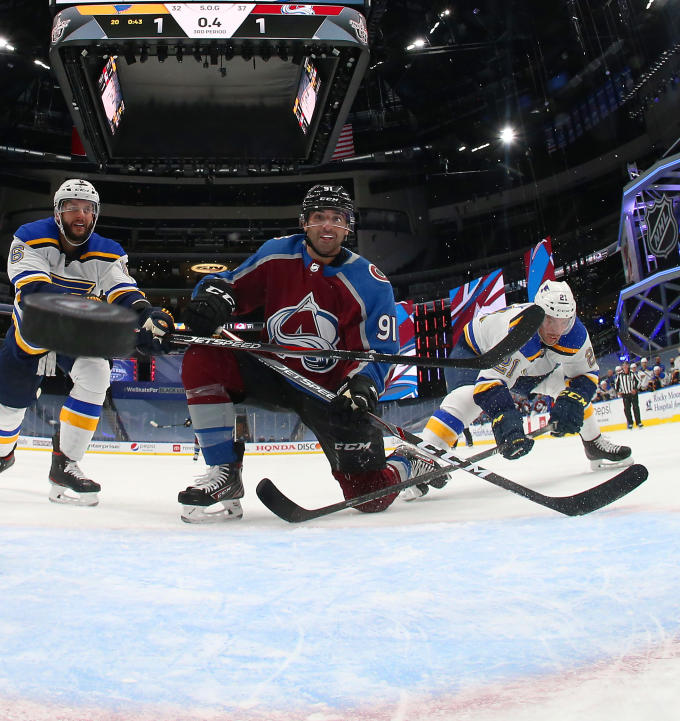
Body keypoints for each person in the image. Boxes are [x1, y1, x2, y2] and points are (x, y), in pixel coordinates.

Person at [175, 183, 446, 523]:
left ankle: (408, 462)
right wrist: (211, 299)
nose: (327, 226)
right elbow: (229, 285)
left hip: (331, 395)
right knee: (204, 356)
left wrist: (362, 386)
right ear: (304, 222)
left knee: (369, 497)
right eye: (319, 217)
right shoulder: (277, 253)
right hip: (274, 373)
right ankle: (223, 473)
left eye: (337, 218)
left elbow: (378, 352)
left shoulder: (370, 282)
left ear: (349, 226)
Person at [0, 179, 174, 505]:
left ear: (95, 215)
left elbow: (123, 290)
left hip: (74, 335)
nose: (80, 215)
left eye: (87, 209)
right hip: (31, 336)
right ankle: (3, 455)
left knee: (97, 374)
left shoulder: (109, 251)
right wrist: (98, 312)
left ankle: (65, 463)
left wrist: (146, 314)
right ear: (57, 212)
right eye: (72, 208)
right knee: (7, 410)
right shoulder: (29, 236)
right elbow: (34, 292)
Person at [405, 280, 632, 500]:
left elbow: (585, 375)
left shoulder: (575, 334)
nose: (557, 331)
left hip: (530, 367)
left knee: (569, 390)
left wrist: (572, 400)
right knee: (466, 399)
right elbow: (489, 384)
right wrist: (507, 421)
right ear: (538, 314)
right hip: (476, 354)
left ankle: (594, 443)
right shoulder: (517, 332)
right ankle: (423, 458)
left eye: (564, 322)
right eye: (551, 321)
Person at [614, 360, 642, 429]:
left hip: (633, 394)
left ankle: (638, 422)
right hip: (625, 394)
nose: (625, 367)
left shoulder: (632, 373)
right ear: (622, 367)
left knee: (636, 408)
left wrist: (635, 389)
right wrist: (618, 391)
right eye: (624, 365)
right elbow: (616, 384)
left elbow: (639, 381)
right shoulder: (620, 375)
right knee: (627, 409)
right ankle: (630, 423)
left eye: (626, 365)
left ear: (628, 366)